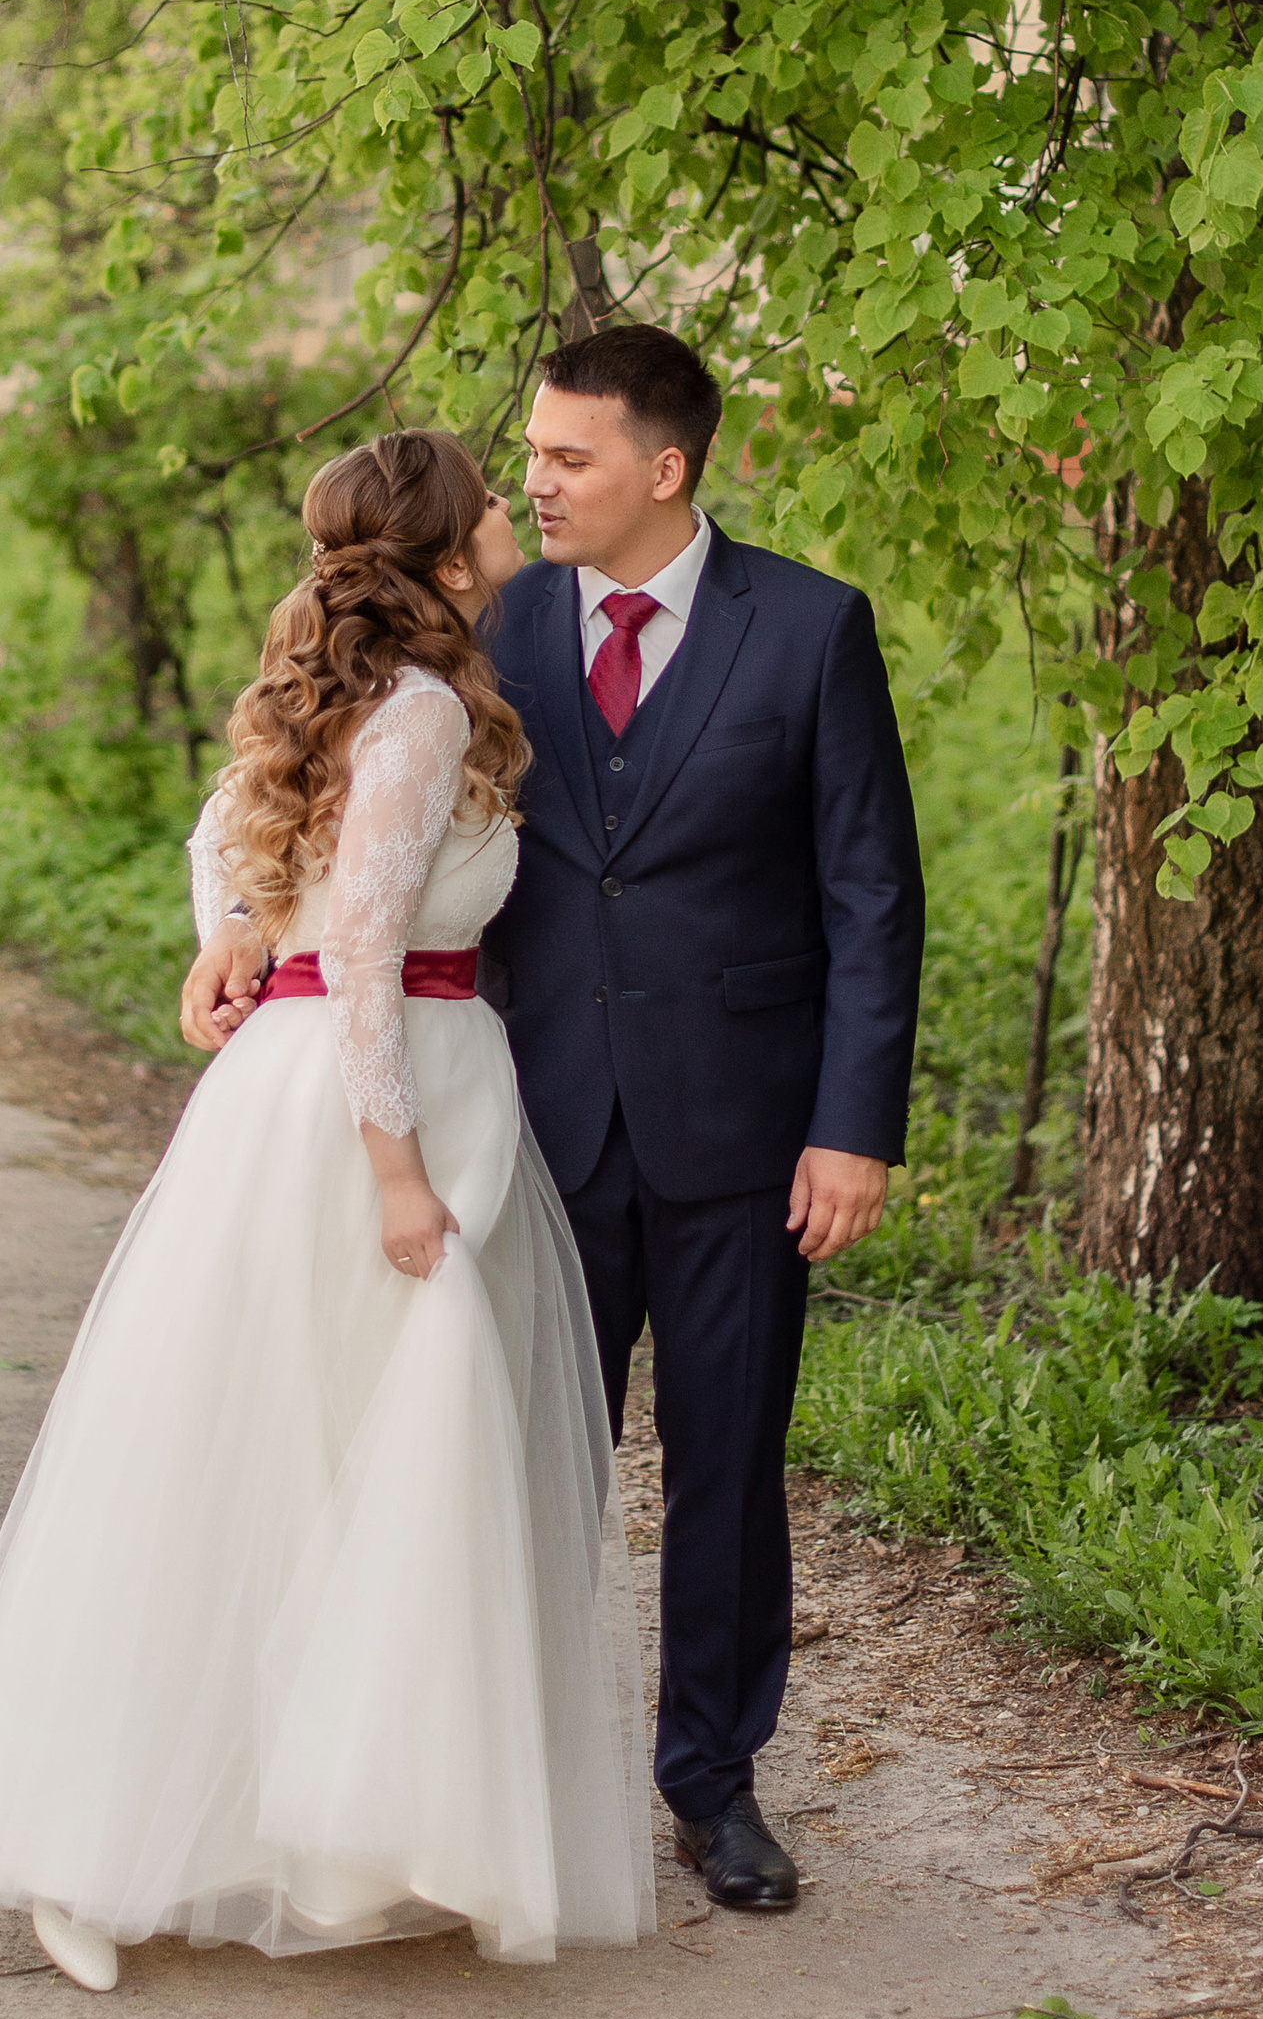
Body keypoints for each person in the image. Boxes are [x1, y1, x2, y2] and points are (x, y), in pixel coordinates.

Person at [0, 431, 653, 1984]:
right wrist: (395, 1171)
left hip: (308, 1082)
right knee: (305, 1450)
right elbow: (364, 947)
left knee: (308, 1454)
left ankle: (327, 1822)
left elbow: (224, 835)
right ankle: (95, 1846)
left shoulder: (338, 689)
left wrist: (227, 927)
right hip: (376, 1092)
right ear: (446, 556)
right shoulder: (423, 708)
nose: (512, 507)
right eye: (489, 500)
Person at [190, 331, 924, 1915]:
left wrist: (852, 1125)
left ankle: (712, 1787)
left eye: (569, 456)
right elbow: (303, 779)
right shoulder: (482, 618)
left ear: (665, 468)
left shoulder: (809, 631)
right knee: (508, 1464)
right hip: (516, 1125)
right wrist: (244, 913)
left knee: (730, 1466)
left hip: (744, 1132)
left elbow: (872, 895)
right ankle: (498, 1785)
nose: (534, 478)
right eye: (529, 456)